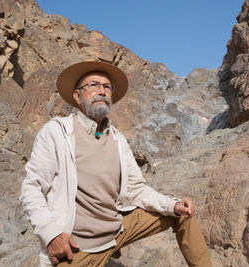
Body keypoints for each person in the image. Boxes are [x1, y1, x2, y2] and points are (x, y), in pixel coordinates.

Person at [20, 61, 212, 267]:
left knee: (182, 213)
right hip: (77, 247)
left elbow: (136, 189)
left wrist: (172, 205)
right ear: (77, 96)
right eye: (93, 85)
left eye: (106, 87)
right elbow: (32, 188)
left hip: (118, 230)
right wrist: (52, 235)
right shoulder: (57, 132)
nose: (101, 91)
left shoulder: (117, 139)